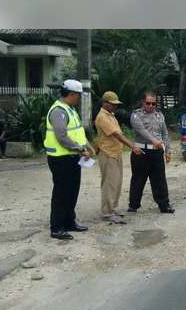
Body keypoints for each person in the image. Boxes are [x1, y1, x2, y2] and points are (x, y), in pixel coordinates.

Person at [43, 79, 96, 240]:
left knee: (72, 191)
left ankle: (69, 222)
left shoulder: (70, 110)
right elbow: (62, 137)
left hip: (73, 158)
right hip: (61, 159)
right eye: (77, 95)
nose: (78, 98)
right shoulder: (58, 111)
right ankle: (57, 227)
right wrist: (80, 149)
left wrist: (88, 146)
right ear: (71, 94)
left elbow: (78, 133)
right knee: (61, 192)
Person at [94, 91, 142, 224]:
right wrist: (133, 146)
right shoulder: (102, 117)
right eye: (112, 104)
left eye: (116, 104)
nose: (115, 106)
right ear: (105, 103)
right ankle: (107, 212)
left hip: (115, 153)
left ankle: (112, 208)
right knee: (109, 184)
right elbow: (117, 135)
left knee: (116, 183)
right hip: (108, 154)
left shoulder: (110, 115)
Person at [128, 92, 174, 214]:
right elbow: (141, 130)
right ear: (143, 102)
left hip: (156, 152)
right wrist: (154, 140)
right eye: (148, 103)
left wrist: (168, 150)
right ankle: (133, 205)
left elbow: (164, 133)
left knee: (159, 179)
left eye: (153, 103)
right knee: (138, 179)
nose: (151, 106)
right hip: (141, 152)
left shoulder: (159, 115)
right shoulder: (136, 115)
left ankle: (164, 205)